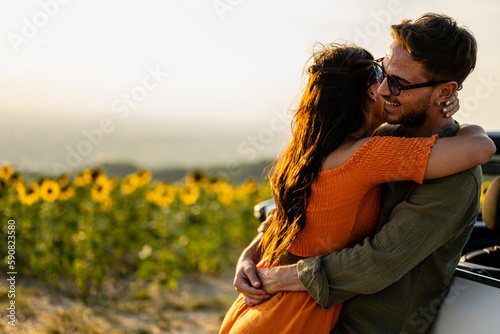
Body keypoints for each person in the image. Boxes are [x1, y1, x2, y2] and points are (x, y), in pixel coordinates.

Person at [220, 28, 494, 334]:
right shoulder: (377, 139)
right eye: (382, 72)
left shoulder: (454, 172)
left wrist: (277, 276)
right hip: (296, 313)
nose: (383, 90)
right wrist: (253, 253)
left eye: (399, 83)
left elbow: (379, 261)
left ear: (445, 92)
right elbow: (304, 210)